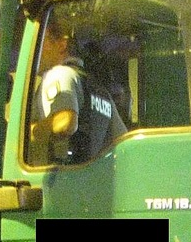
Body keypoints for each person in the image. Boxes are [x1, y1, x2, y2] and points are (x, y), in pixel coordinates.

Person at [30, 20, 126, 164]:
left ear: (62, 44)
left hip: (61, 179)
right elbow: (123, 141)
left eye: (40, 42)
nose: (34, 50)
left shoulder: (60, 73)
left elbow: (65, 122)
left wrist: (27, 133)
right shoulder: (100, 92)